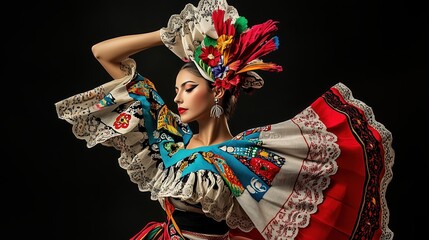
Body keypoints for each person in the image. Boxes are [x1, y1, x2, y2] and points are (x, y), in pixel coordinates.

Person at [55, 0, 395, 239]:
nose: (177, 98)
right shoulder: (168, 136)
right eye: (176, 90)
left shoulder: (248, 154)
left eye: (188, 88)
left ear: (217, 91)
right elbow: (103, 53)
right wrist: (166, 36)